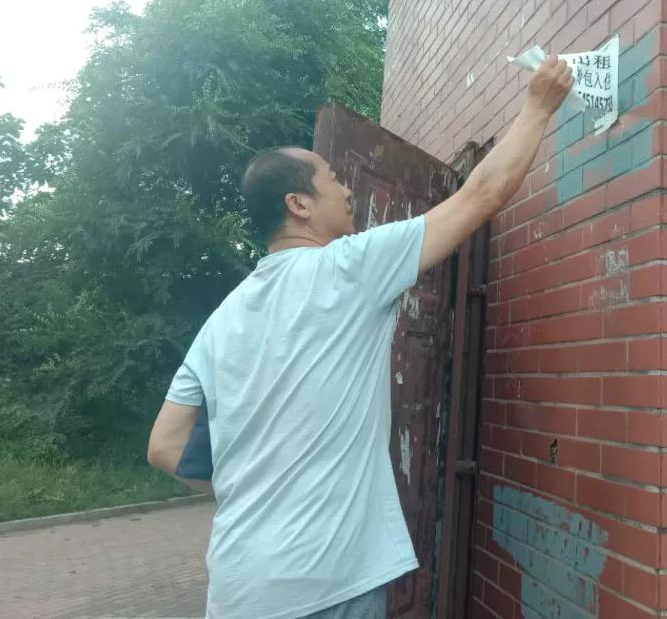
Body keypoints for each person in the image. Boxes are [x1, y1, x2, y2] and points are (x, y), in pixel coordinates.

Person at [147, 55, 574, 619]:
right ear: (299, 204)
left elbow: (164, 447)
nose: (347, 190)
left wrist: (255, 488)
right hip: (327, 585)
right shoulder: (347, 268)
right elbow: (480, 196)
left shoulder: (219, 322)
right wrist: (539, 106)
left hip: (237, 588)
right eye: (332, 180)